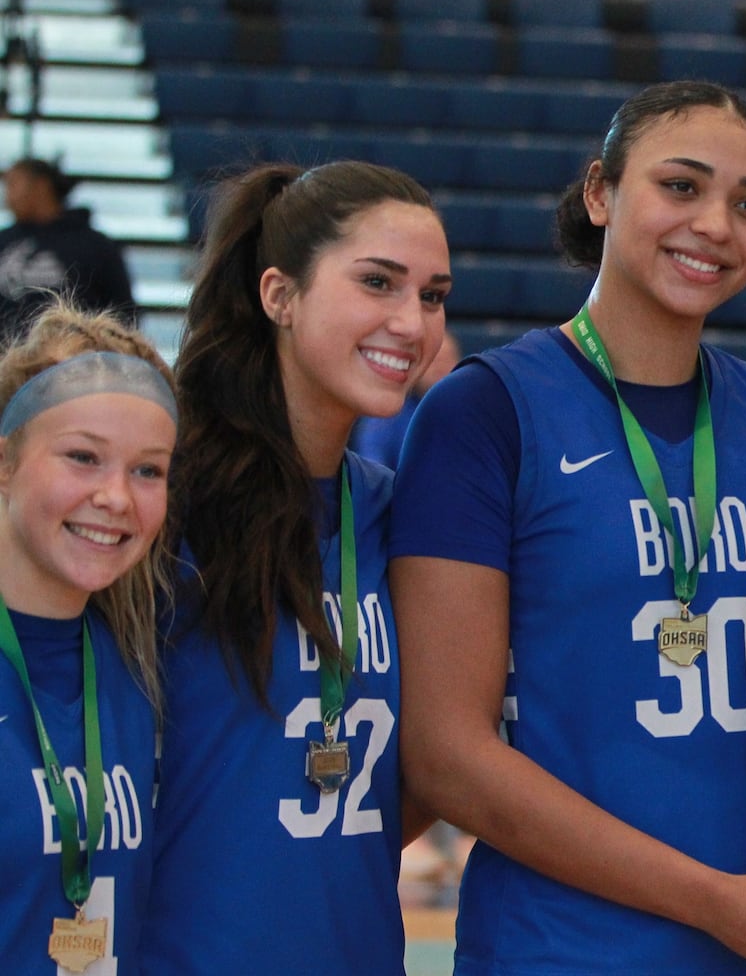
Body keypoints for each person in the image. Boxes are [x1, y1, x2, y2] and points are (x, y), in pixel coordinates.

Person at [389, 80, 746, 975]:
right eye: (681, 187)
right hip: (562, 948)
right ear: (600, 192)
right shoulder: (485, 412)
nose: (717, 226)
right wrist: (713, 902)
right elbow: (446, 756)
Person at [140, 161, 450, 973]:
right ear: (280, 295)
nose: (412, 323)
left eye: (432, 295)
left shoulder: (393, 512)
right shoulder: (162, 504)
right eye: (378, 283)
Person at [0, 302, 175, 975]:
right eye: (83, 457)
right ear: (6, 464)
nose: (116, 497)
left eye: (147, 470)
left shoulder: (140, 665)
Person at [0, 159, 135, 337]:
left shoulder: (95, 246)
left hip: (77, 359)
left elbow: (122, 313)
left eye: (13, 184)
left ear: (41, 186)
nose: (8, 198)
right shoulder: (4, 242)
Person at [351, 325, 461, 468]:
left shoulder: (470, 412)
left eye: (447, 359)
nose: (440, 368)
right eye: (435, 360)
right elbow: (370, 468)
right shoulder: (388, 413)